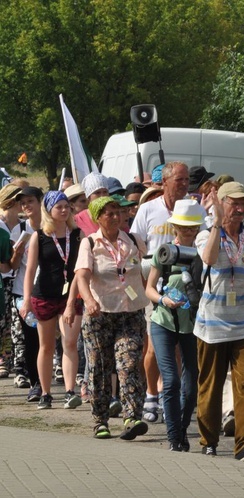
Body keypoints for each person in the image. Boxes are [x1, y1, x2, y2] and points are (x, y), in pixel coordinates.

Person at [194, 181, 244, 464]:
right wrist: (217, 223)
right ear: (222, 204)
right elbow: (208, 258)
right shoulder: (205, 234)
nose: (240, 208)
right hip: (212, 325)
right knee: (210, 386)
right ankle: (209, 441)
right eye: (234, 203)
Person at [66, 196, 150, 440]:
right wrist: (87, 301)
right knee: (100, 368)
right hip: (99, 314)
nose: (116, 217)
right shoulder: (90, 244)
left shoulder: (134, 241)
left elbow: (145, 271)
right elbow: (81, 276)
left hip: (131, 313)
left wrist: (153, 295)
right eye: (109, 213)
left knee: (130, 363)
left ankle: (132, 416)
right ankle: (100, 420)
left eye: (118, 212)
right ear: (97, 217)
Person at [132, 161, 203, 423]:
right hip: (156, 282)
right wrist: (144, 283)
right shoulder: (149, 209)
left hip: (189, 285)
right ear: (165, 182)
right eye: (180, 180)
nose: (185, 184)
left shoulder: (195, 210)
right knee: (153, 346)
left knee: (180, 348)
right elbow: (137, 246)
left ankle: (168, 394)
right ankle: (152, 393)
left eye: (187, 180)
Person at [144, 199, 203, 452]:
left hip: (193, 326)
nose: (188, 231)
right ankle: (173, 439)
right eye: (183, 227)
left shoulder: (204, 254)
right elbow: (149, 288)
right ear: (175, 227)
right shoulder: (165, 252)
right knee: (171, 381)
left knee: (191, 387)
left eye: (192, 227)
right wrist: (162, 299)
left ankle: (182, 429)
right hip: (163, 322)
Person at [21, 191, 82, 409]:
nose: (64, 210)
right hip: (44, 295)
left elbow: (81, 269)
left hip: (70, 296)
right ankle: (46, 393)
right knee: (46, 346)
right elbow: (30, 271)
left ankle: (69, 391)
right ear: (49, 210)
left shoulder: (77, 234)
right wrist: (26, 299)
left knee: (70, 342)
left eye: (67, 206)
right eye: (59, 207)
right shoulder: (40, 235)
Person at [10, 187, 44, 401]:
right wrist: (17, 254)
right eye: (23, 204)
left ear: (40, 202)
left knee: (51, 342)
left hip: (50, 291)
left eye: (30, 201)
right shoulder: (19, 229)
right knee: (32, 341)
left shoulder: (51, 227)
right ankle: (36, 384)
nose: (26, 206)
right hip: (24, 293)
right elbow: (12, 266)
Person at [0, 184, 22, 379]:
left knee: (8, 321)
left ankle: (6, 359)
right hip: (4, 279)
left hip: (12, 280)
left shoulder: (21, 224)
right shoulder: (1, 226)